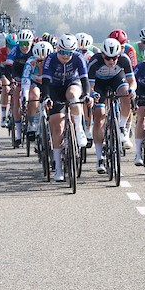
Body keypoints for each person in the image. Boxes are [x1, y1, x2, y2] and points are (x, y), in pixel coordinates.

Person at [41, 34, 92, 182]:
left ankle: (79, 130)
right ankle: (58, 167)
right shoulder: (50, 59)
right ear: (57, 49)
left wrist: (87, 94)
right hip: (54, 88)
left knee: (73, 96)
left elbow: (84, 80)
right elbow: (45, 82)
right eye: (62, 52)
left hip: (72, 83)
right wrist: (47, 98)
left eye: (69, 53)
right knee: (57, 125)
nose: (65, 56)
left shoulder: (78, 58)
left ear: (74, 51)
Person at [87, 38, 137, 173]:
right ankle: (99, 158)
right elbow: (90, 87)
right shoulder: (95, 61)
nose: (111, 61)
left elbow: (132, 81)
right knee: (100, 117)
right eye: (108, 58)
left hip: (116, 79)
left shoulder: (124, 60)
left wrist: (132, 90)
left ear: (118, 56)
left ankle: (121, 127)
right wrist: (93, 95)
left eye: (114, 58)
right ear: (102, 55)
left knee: (126, 93)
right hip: (98, 84)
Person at [5, 28, 35, 146]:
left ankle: (34, 122)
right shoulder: (15, 50)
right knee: (16, 97)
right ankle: (17, 132)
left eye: (26, 43)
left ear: (32, 42)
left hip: (31, 75)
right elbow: (8, 66)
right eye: (21, 43)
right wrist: (11, 80)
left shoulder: (35, 49)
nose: (24, 46)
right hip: (17, 73)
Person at [21, 40, 53, 138]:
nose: (42, 63)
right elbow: (25, 81)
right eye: (39, 61)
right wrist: (25, 98)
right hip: (35, 84)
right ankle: (32, 123)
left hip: (50, 84)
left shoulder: (54, 62)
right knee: (34, 94)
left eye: (45, 60)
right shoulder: (30, 63)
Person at [0, 33, 18, 127]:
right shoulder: (1, 51)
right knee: (6, 87)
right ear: (6, 45)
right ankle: (3, 115)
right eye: (10, 47)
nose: (12, 49)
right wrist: (1, 79)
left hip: (14, 71)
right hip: (3, 71)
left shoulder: (18, 52)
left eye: (14, 46)